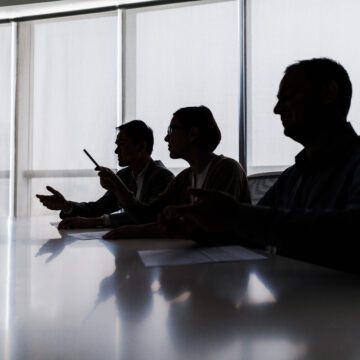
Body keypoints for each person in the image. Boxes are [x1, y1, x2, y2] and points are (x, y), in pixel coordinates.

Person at [161, 58, 360, 274]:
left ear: (328, 93)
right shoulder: (293, 176)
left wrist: (235, 216)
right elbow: (250, 230)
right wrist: (196, 230)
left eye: (288, 96)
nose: (276, 109)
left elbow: (350, 231)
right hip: (297, 300)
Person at [96, 105, 251, 239]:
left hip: (228, 265)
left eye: (171, 130)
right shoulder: (184, 178)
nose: (165, 138)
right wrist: (117, 186)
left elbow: (212, 226)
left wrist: (140, 231)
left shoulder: (228, 168)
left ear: (192, 134)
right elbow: (148, 215)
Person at [36, 120, 174, 229]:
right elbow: (99, 208)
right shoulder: (125, 175)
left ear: (141, 146)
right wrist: (66, 205)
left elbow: (146, 217)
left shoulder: (162, 177)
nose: (116, 151)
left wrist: (97, 221)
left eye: (121, 144)